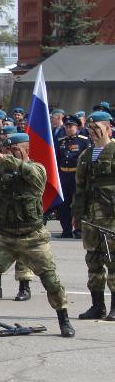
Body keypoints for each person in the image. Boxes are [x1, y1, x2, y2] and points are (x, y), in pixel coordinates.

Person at [0, 135, 74, 338]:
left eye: (14, 149)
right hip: (3, 235)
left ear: (25, 149)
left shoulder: (37, 169)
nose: (9, 153)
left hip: (32, 236)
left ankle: (64, 320)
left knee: (50, 279)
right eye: (6, 149)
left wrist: (5, 158)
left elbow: (33, 177)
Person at [72, 110, 115, 321]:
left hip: (112, 218)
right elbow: (80, 187)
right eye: (90, 128)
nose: (93, 132)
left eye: (97, 128)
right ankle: (97, 306)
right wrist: (77, 214)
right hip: (91, 219)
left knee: (113, 261)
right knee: (93, 261)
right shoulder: (86, 155)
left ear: (108, 128)